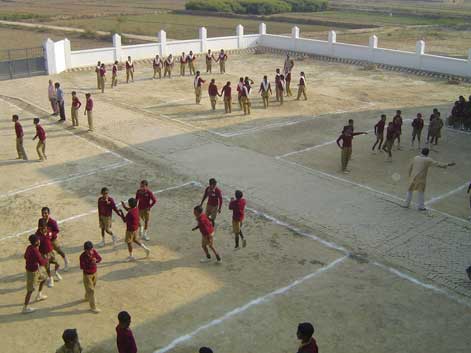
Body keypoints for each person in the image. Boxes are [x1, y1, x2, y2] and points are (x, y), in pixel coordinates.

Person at [23, 234, 48, 314]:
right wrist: (47, 259)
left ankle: (39, 295)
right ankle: (25, 308)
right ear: (36, 242)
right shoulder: (35, 251)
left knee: (44, 278)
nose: (39, 241)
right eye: (38, 240)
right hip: (32, 272)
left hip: (35, 270)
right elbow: (42, 263)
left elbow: (25, 256)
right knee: (30, 290)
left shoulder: (29, 247)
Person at [40, 206, 70, 271]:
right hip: (45, 241)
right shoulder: (41, 221)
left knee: (59, 251)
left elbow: (56, 230)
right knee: (47, 254)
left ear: (49, 213)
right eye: (43, 213)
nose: (44, 215)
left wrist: (50, 234)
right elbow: (39, 229)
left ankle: (66, 262)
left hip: (52, 240)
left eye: (45, 213)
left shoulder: (52, 222)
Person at [37, 218, 61, 288]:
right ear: (39, 227)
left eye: (44, 228)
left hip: (51, 252)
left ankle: (55, 272)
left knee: (57, 264)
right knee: (47, 267)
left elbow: (52, 238)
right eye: (41, 228)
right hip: (44, 254)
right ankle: (51, 278)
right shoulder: (37, 235)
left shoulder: (49, 231)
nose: (43, 230)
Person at [79, 241, 102, 313]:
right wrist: (90, 262)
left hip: (95, 273)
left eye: (91, 249)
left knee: (91, 287)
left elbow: (100, 258)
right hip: (87, 275)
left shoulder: (94, 252)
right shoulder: (82, 256)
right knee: (91, 290)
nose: (90, 251)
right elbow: (82, 267)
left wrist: (96, 260)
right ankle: (93, 307)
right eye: (88, 250)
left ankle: (87, 297)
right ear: (85, 250)